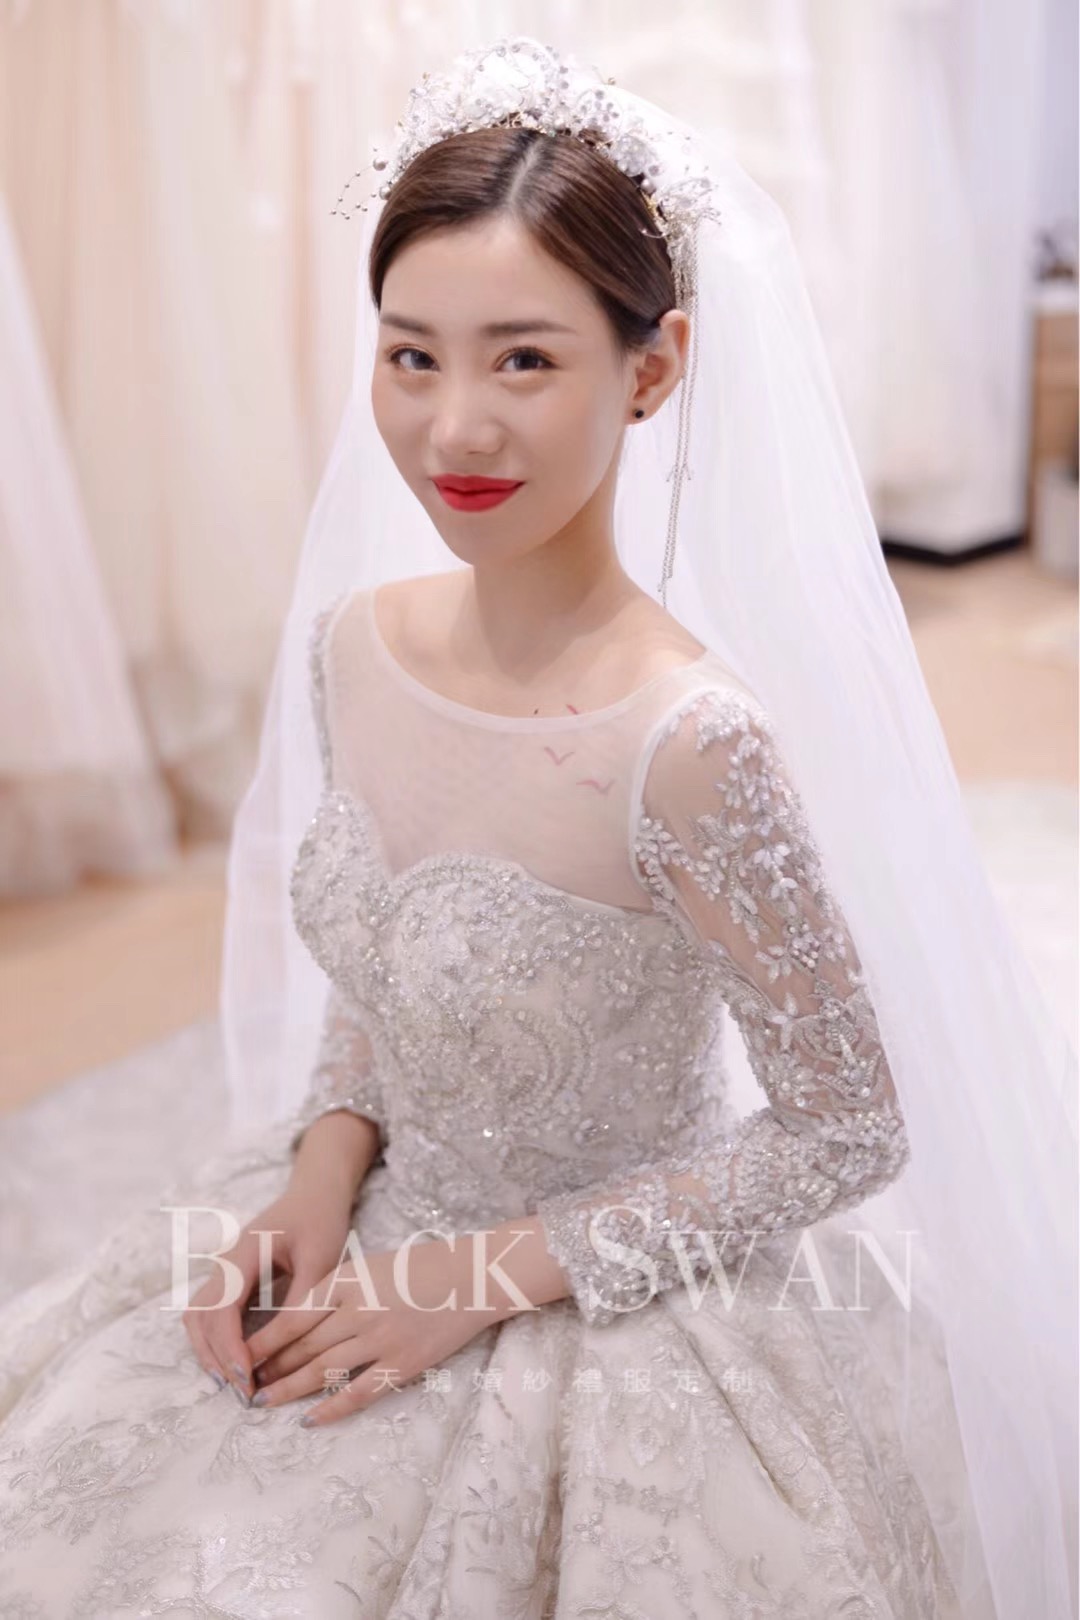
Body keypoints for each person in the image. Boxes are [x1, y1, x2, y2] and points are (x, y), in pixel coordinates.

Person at [0, 36, 1074, 1620]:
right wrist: (318, 1174)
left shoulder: (690, 743)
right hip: (360, 1230)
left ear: (652, 368)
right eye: (410, 356)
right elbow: (383, 979)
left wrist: (484, 1275)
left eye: (523, 361)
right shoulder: (353, 646)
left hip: (610, 1309)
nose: (453, 431)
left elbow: (848, 1125)